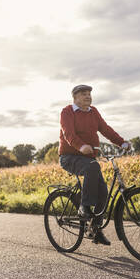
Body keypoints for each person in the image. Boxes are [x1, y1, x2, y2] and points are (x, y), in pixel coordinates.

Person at [58, 84, 130, 246]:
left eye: (89, 94)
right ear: (75, 97)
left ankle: (95, 230)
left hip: (88, 159)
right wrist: (81, 146)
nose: (88, 96)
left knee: (104, 193)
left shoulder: (93, 112)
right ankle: (84, 206)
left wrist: (122, 142)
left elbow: (106, 130)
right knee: (93, 166)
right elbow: (68, 134)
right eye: (83, 94)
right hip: (69, 157)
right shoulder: (67, 112)